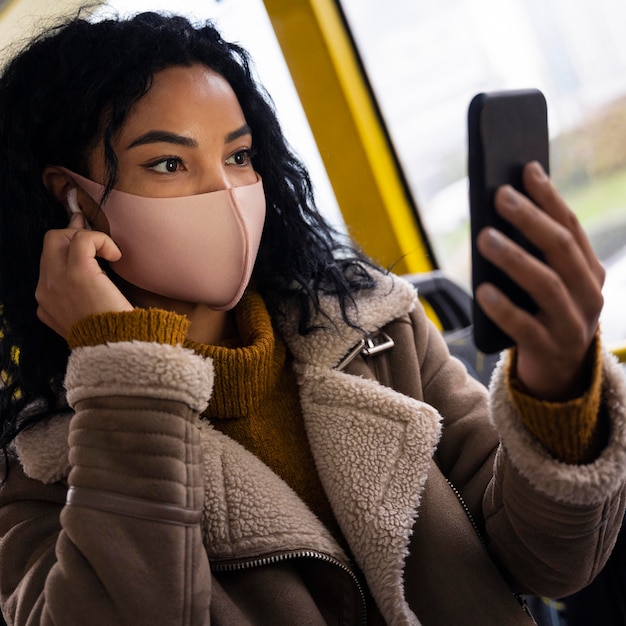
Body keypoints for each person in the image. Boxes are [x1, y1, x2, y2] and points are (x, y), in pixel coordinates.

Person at [0, 10, 624, 626]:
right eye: (169, 163)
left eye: (239, 156)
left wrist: (559, 384)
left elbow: (550, 561)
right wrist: (122, 371)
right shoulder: (37, 469)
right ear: (73, 198)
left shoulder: (371, 328)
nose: (226, 192)